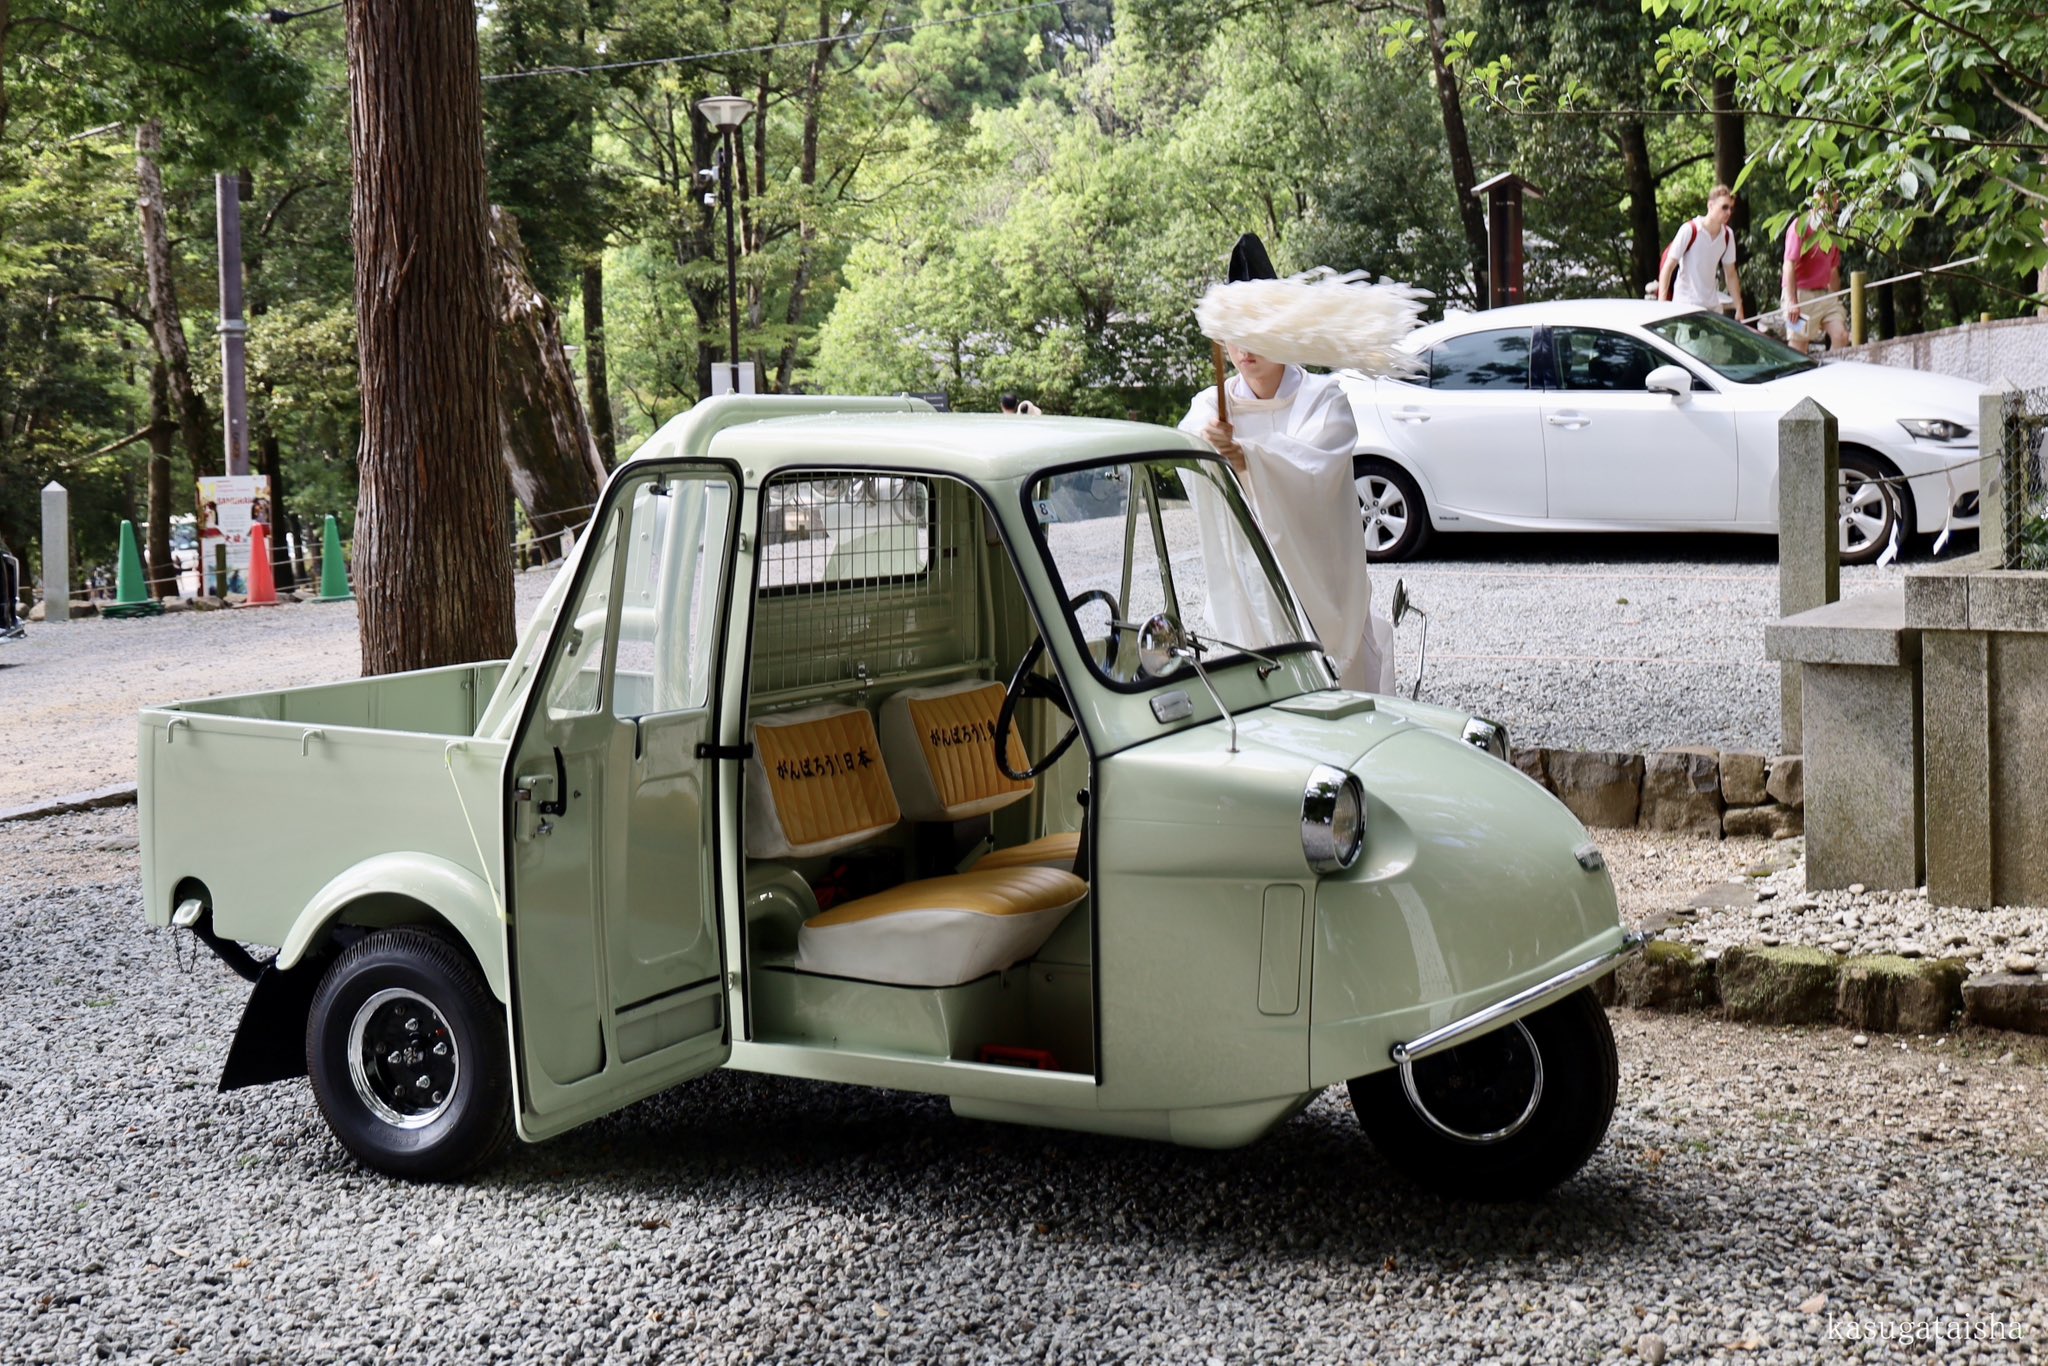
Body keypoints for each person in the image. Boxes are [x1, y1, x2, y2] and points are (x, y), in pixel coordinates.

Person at [1178, 341, 1395, 695]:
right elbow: (1190, 454)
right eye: (1233, 335)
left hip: (1318, 573)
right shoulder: (1210, 406)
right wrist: (1207, 444)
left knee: (1336, 683)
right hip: (1249, 573)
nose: (1244, 348)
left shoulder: (1322, 399)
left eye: (1256, 334)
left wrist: (1247, 458)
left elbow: (1314, 471)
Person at [1658, 185, 1746, 319]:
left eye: (1731, 208)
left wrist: (1739, 306)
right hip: (1685, 307)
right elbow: (1668, 267)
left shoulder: (1727, 235)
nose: (1729, 212)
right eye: (1724, 207)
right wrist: (1662, 306)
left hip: (1712, 308)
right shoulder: (1690, 230)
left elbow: (1731, 273)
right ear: (1710, 205)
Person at [1781, 190, 1848, 354]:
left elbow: (1833, 270)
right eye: (1822, 196)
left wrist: (1834, 298)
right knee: (1798, 348)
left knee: (1841, 336)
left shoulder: (1833, 231)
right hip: (1800, 294)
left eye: (1832, 198)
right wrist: (1792, 301)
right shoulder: (1800, 225)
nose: (1827, 201)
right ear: (1814, 199)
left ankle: (1831, 368)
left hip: (1824, 294)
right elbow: (1788, 264)